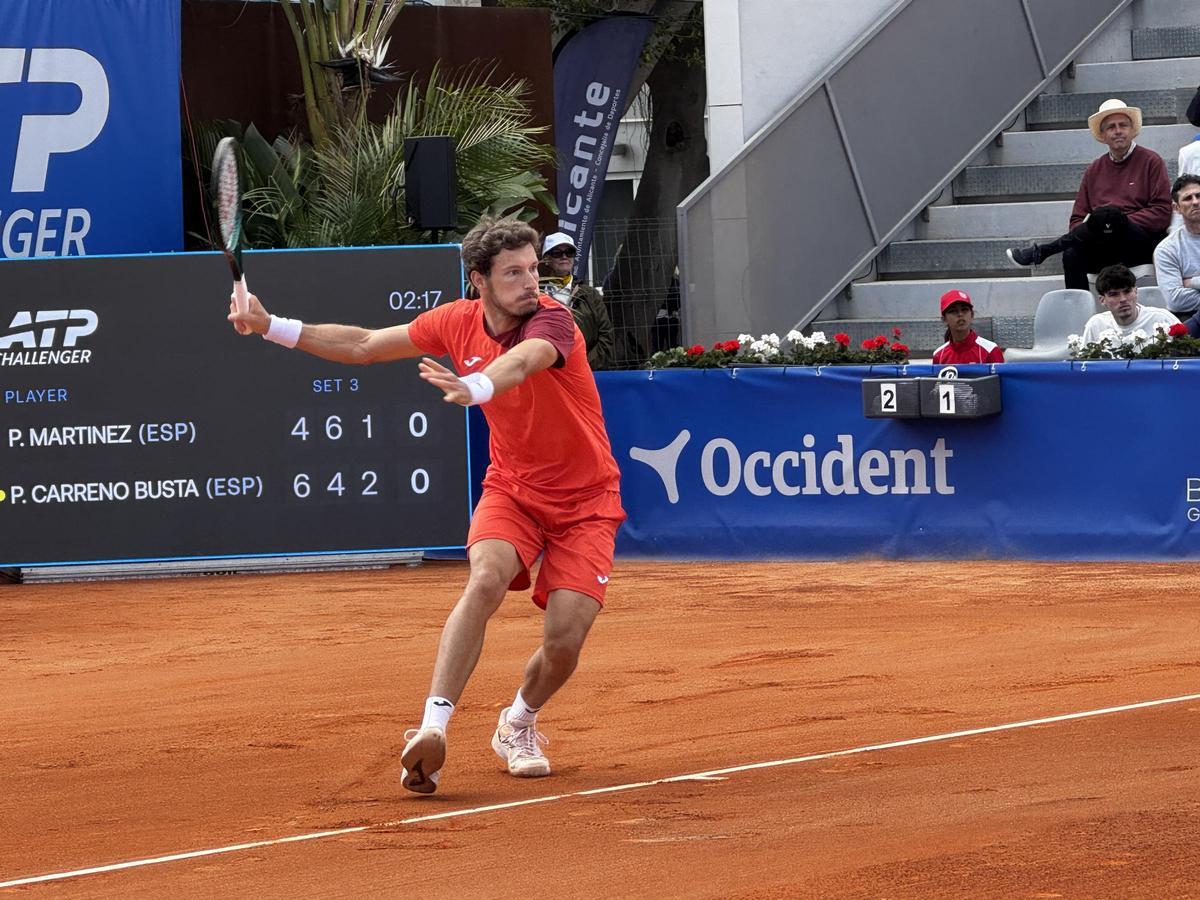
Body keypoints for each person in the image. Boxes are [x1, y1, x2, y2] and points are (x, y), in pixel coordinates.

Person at [226, 216, 626, 795]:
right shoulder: (455, 322)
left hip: (588, 500)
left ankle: (518, 722)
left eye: (533, 268)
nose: (529, 282)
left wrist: (478, 386)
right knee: (486, 578)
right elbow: (365, 345)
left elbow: (523, 362)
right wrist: (272, 327)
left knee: (564, 641)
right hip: (514, 489)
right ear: (478, 280)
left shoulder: (555, 321)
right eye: (513, 272)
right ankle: (432, 727)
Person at [1006, 99, 1172, 290]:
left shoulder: (1151, 161)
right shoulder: (1094, 169)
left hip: (1138, 243)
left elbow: (1161, 212)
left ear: (1131, 129)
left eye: (1123, 125)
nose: (1118, 131)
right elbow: (1077, 219)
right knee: (1071, 253)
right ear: (1103, 134)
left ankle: (1043, 251)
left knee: (1110, 214)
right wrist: (1100, 227)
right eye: (1111, 127)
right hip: (1101, 243)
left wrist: (1118, 221)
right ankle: (1078, 312)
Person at [538, 232, 615, 370]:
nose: (564, 257)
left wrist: (583, 365)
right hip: (549, 371)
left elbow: (606, 335)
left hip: (585, 370)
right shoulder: (537, 296)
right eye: (557, 253)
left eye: (569, 252)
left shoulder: (590, 295)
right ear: (546, 259)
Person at [1079, 264, 1178, 345]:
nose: (1123, 299)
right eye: (1114, 294)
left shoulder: (1163, 319)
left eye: (1127, 292)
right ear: (1102, 300)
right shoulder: (1095, 325)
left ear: (1135, 291)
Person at [1154, 174, 1200, 316]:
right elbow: (1176, 300)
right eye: (1188, 198)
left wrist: (1192, 282)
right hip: (1192, 319)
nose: (1195, 202)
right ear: (1176, 208)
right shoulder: (1167, 249)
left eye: (1199, 196)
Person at [931, 289, 1004, 364]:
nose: (960, 314)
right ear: (944, 319)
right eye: (953, 311)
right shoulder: (939, 355)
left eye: (964, 309)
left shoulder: (990, 350)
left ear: (972, 315)